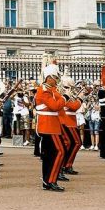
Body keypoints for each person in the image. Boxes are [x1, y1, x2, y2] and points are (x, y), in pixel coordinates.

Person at [34, 63, 66, 192]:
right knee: (60, 152)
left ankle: (47, 181)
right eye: (55, 78)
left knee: (49, 155)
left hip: (50, 125)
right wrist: (65, 97)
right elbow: (54, 106)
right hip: (49, 126)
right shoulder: (44, 91)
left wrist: (60, 95)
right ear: (49, 78)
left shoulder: (49, 89)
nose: (57, 81)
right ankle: (51, 180)